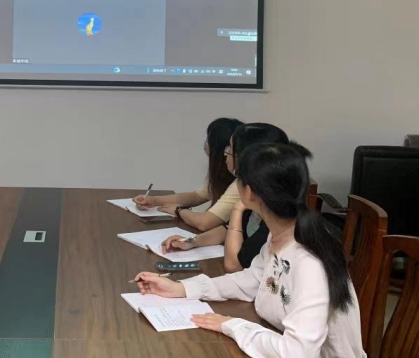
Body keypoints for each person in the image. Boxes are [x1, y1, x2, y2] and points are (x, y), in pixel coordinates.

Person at [134, 143, 365, 358]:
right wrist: (182, 288)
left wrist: (232, 325)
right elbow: (254, 279)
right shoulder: (284, 234)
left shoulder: (309, 261)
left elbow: (295, 353)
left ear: (249, 192)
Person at [158, 122, 292, 272]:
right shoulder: (257, 196)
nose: (225, 153)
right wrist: (191, 242)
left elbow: (233, 265)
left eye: (230, 149)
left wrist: (238, 208)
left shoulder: (275, 215)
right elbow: (227, 229)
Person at [133, 118, 243, 232]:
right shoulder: (223, 172)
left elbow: (204, 223)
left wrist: (179, 210)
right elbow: (197, 196)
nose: (205, 143)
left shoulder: (241, 183)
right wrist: (153, 201)